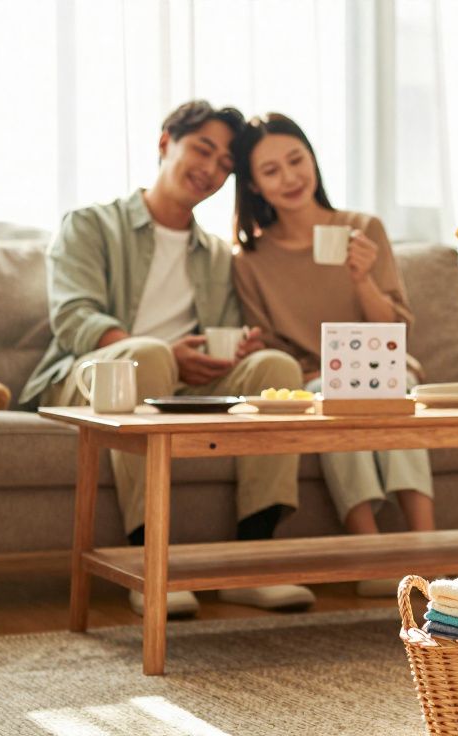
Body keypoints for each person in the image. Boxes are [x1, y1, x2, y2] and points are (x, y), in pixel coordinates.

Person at [18, 100, 313, 617]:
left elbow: (218, 331)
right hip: (91, 374)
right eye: (203, 149)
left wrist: (231, 353)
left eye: (225, 164)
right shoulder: (90, 225)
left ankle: (253, 562)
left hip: (177, 384)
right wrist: (164, 357)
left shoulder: (216, 253)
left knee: (276, 367)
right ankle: (150, 562)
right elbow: (73, 317)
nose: (212, 169)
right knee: (147, 356)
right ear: (164, 142)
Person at [231, 113, 435, 596]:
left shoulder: (363, 229)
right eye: (271, 170)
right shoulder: (251, 261)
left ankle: (425, 549)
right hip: (311, 378)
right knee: (328, 393)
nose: (290, 177)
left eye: (296, 160)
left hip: (383, 366)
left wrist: (361, 277)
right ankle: (372, 555)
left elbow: (393, 332)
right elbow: (272, 348)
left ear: (313, 160)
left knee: (395, 387)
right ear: (255, 186)